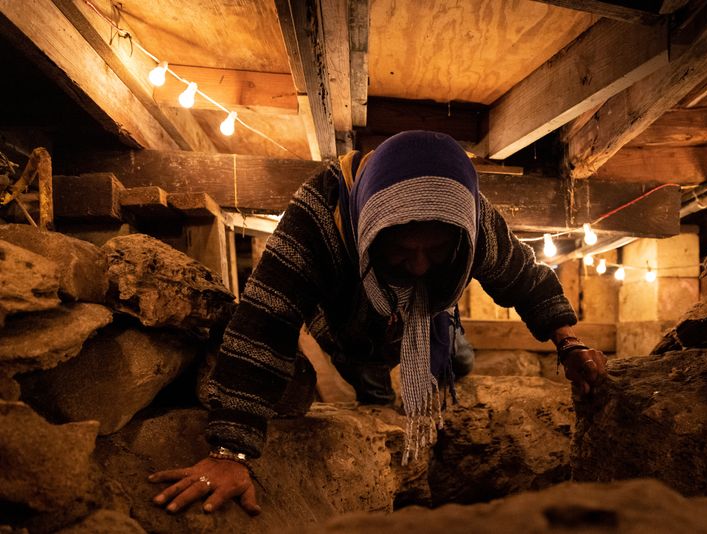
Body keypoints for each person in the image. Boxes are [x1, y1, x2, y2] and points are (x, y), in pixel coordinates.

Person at [148, 130, 607, 515]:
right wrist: (231, 449)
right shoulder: (316, 215)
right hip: (344, 317)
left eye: (437, 251)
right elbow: (265, 321)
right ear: (370, 226)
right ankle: (379, 400)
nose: (422, 266)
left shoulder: (474, 219)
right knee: (366, 375)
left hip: (425, 314)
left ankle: (407, 390)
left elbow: (525, 279)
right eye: (404, 251)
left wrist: (568, 344)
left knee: (441, 351)